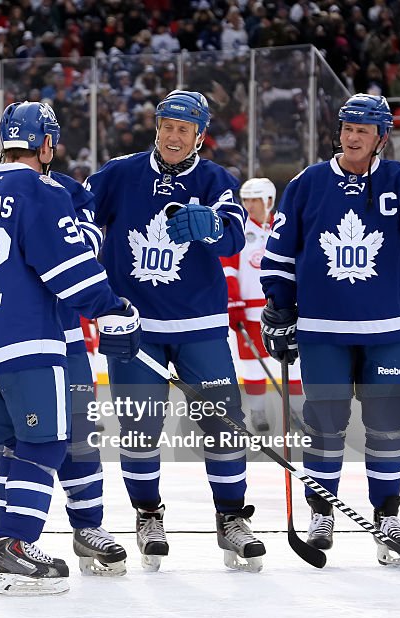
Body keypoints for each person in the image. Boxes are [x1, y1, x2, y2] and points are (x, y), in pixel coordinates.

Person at [0, 101, 140, 595]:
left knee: (18, 438)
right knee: (47, 438)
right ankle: (16, 542)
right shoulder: (49, 191)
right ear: (47, 143)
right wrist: (112, 308)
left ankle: (44, 531)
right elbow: (72, 266)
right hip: (35, 338)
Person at [260, 94, 400, 566]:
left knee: (387, 426)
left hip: (386, 329)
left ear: (380, 137)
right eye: (347, 127)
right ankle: (321, 511)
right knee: (324, 426)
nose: (351, 137)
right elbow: (280, 255)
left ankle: (387, 513)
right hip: (322, 328)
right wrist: (279, 310)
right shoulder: (307, 183)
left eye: (362, 131)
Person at [85, 90, 263, 572]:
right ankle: (148, 514)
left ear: (200, 135)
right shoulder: (118, 174)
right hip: (134, 328)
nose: (173, 134)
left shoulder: (215, 179)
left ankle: (231, 518)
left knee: (224, 427)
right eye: (166, 125)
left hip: (200, 327)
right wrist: (98, 299)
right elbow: (78, 224)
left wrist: (209, 226)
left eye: (184, 128)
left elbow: (231, 237)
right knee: (138, 428)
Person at [221, 178, 304, 433]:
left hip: (285, 308)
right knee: (253, 364)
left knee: (295, 363)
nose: (249, 206)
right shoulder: (239, 229)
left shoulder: (285, 226)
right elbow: (228, 268)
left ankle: (298, 411)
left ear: (268, 200)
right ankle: (257, 411)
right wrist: (233, 301)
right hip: (249, 309)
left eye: (254, 200)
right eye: (245, 200)